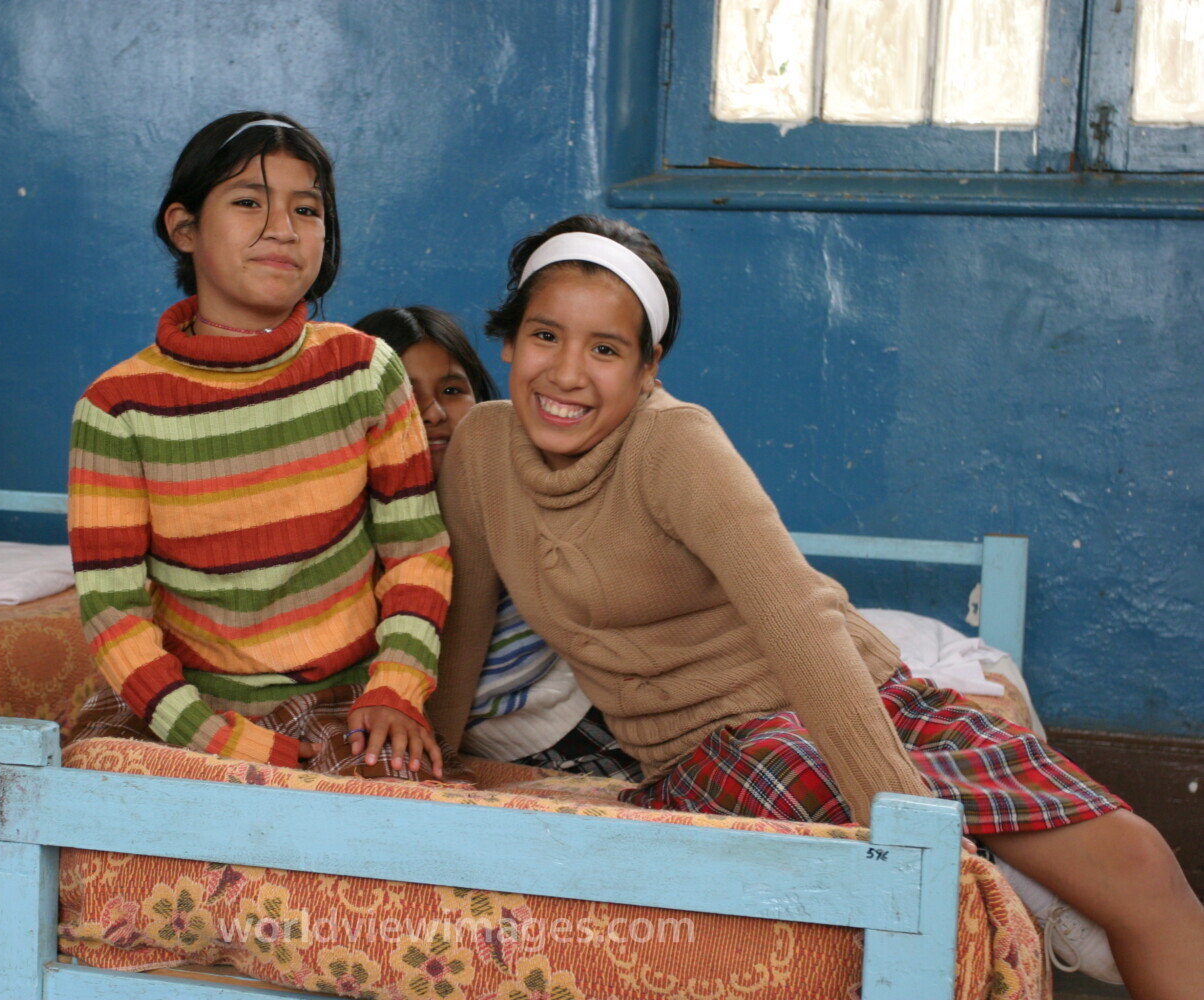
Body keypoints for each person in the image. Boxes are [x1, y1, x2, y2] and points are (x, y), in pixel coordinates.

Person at [429, 213, 1204, 998]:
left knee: (1142, 861)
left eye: (605, 349)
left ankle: (1022, 878)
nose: (566, 373)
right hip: (721, 749)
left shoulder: (674, 444)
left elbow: (800, 618)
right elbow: (461, 629)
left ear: (648, 368)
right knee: (845, 808)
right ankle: (1014, 879)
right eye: (546, 336)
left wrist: (900, 821)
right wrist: (426, 765)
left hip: (859, 693)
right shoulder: (481, 451)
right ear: (509, 341)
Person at [67, 112, 450, 778]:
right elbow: (114, 612)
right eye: (249, 202)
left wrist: (397, 687)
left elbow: (416, 553)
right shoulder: (117, 408)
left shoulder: (364, 369)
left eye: (307, 209)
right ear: (184, 228)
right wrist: (215, 739)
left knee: (384, 817)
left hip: (347, 701)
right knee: (94, 790)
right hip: (188, 710)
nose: (283, 229)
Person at [355, 305, 642, 781]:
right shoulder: (349, 538)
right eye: (402, 394)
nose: (433, 413)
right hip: (496, 755)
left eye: (452, 391)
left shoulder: (521, 486)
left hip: (600, 717)